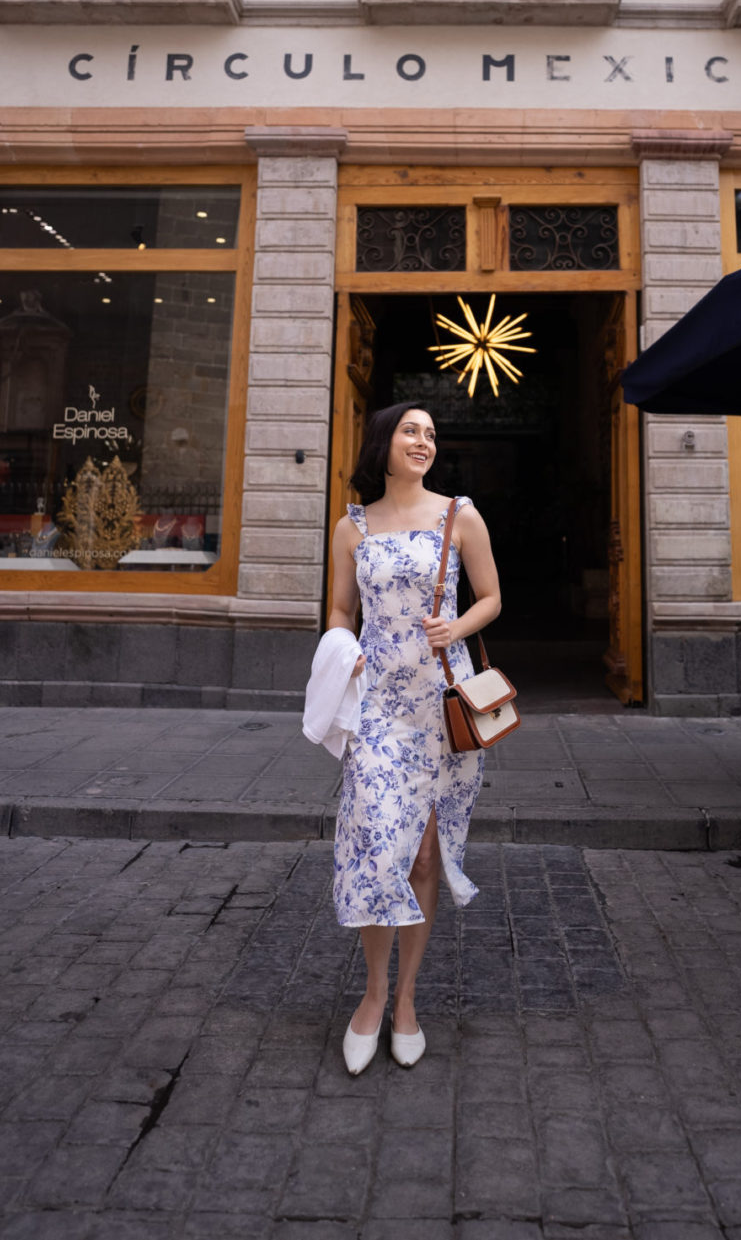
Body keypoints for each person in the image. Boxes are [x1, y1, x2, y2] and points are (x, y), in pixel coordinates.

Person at [327, 401, 501, 1074]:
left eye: (431, 433)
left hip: (438, 705)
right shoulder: (352, 525)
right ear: (384, 441)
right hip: (377, 708)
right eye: (410, 430)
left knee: (425, 858)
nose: (423, 441)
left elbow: (490, 596)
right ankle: (370, 995)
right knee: (378, 847)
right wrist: (344, 649)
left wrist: (456, 628)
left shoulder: (460, 515)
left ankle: (405, 1000)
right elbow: (342, 609)